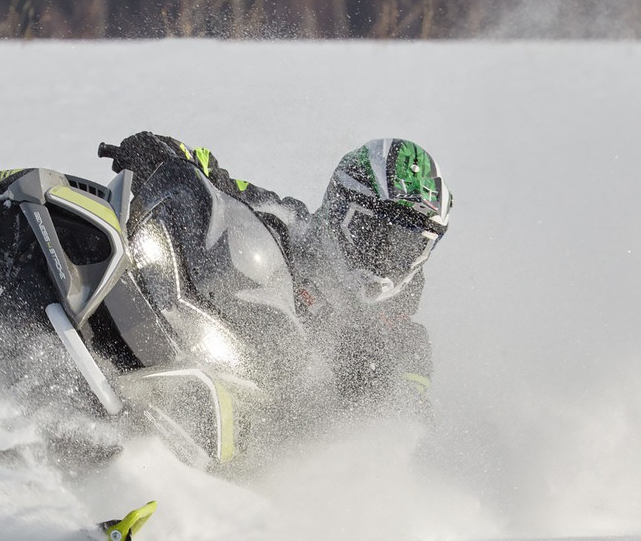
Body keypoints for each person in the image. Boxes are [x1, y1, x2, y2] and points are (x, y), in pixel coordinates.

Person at [100, 131, 451, 448]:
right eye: (375, 236)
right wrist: (165, 156)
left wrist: (381, 396)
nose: (385, 258)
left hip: (275, 451)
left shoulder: (405, 343)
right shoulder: (284, 221)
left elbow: (407, 421)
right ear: (340, 207)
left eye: (406, 249)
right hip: (199, 341)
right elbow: (215, 179)